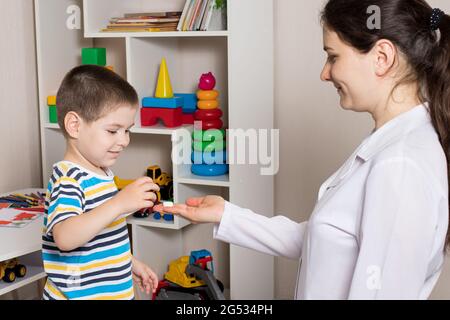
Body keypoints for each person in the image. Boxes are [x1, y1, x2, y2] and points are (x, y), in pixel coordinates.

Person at [155, 0, 450, 299]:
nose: (325, 73)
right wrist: (225, 215)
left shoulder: (400, 165)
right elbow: (322, 238)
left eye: (333, 57)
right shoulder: (392, 144)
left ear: (382, 57)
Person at [42, 65, 160, 300]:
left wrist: (130, 263)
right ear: (74, 125)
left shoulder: (102, 173)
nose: (124, 140)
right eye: (113, 130)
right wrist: (118, 203)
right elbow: (65, 238)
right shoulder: (69, 178)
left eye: (127, 130)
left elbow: (102, 237)